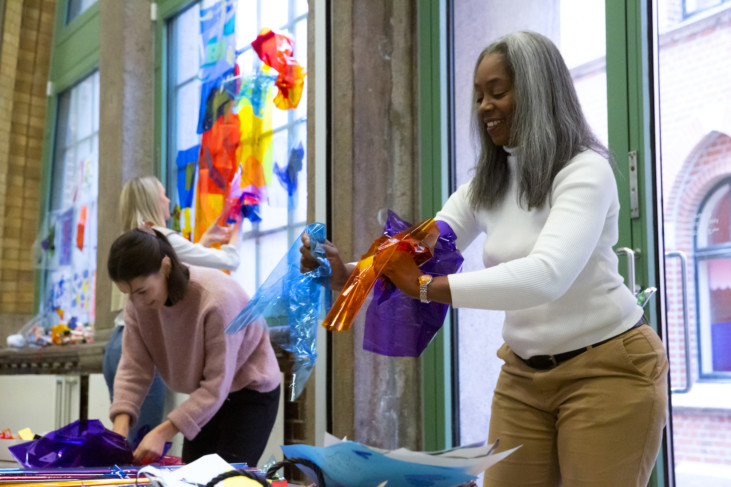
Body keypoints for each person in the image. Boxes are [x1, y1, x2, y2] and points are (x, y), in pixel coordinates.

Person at [301, 31, 668, 486]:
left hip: (608, 369)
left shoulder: (584, 171)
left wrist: (422, 287)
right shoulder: (488, 184)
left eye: (497, 93)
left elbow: (544, 277)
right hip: (523, 375)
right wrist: (349, 275)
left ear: (537, 92)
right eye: (478, 97)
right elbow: (419, 246)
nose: (483, 108)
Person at [107, 226, 281, 465]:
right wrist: (120, 424)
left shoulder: (217, 300)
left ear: (166, 266)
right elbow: (134, 367)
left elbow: (216, 386)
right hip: (206, 392)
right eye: (128, 294)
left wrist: (162, 431)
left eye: (142, 291)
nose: (137, 301)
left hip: (249, 391)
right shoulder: (137, 304)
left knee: (226, 479)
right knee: (192, 476)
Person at [103, 175, 241, 445]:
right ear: (152, 201)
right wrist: (238, 228)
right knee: (146, 439)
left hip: (114, 343)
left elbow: (180, 275)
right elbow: (228, 261)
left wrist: (202, 241)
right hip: (135, 338)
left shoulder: (128, 244)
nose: (168, 199)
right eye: (163, 193)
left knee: (132, 439)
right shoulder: (160, 239)